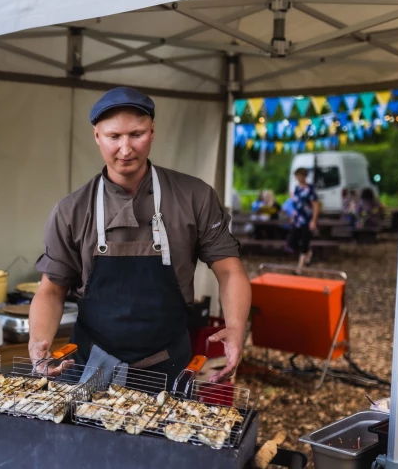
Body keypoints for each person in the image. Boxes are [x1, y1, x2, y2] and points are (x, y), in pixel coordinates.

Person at [28, 87, 251, 386]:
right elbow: (51, 291)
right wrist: (38, 342)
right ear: (97, 136)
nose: (126, 148)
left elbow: (230, 270)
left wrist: (236, 328)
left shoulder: (194, 197)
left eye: (137, 134)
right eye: (114, 136)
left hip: (168, 367)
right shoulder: (72, 210)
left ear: (153, 131)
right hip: (88, 367)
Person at [288, 167, 320, 268]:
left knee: (305, 240)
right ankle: (308, 252)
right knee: (292, 241)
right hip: (297, 219)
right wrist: (293, 216)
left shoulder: (310, 189)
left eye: (299, 176)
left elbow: (315, 205)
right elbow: (295, 204)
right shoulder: (297, 189)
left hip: (307, 219)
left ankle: (300, 267)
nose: (298, 178)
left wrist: (314, 221)